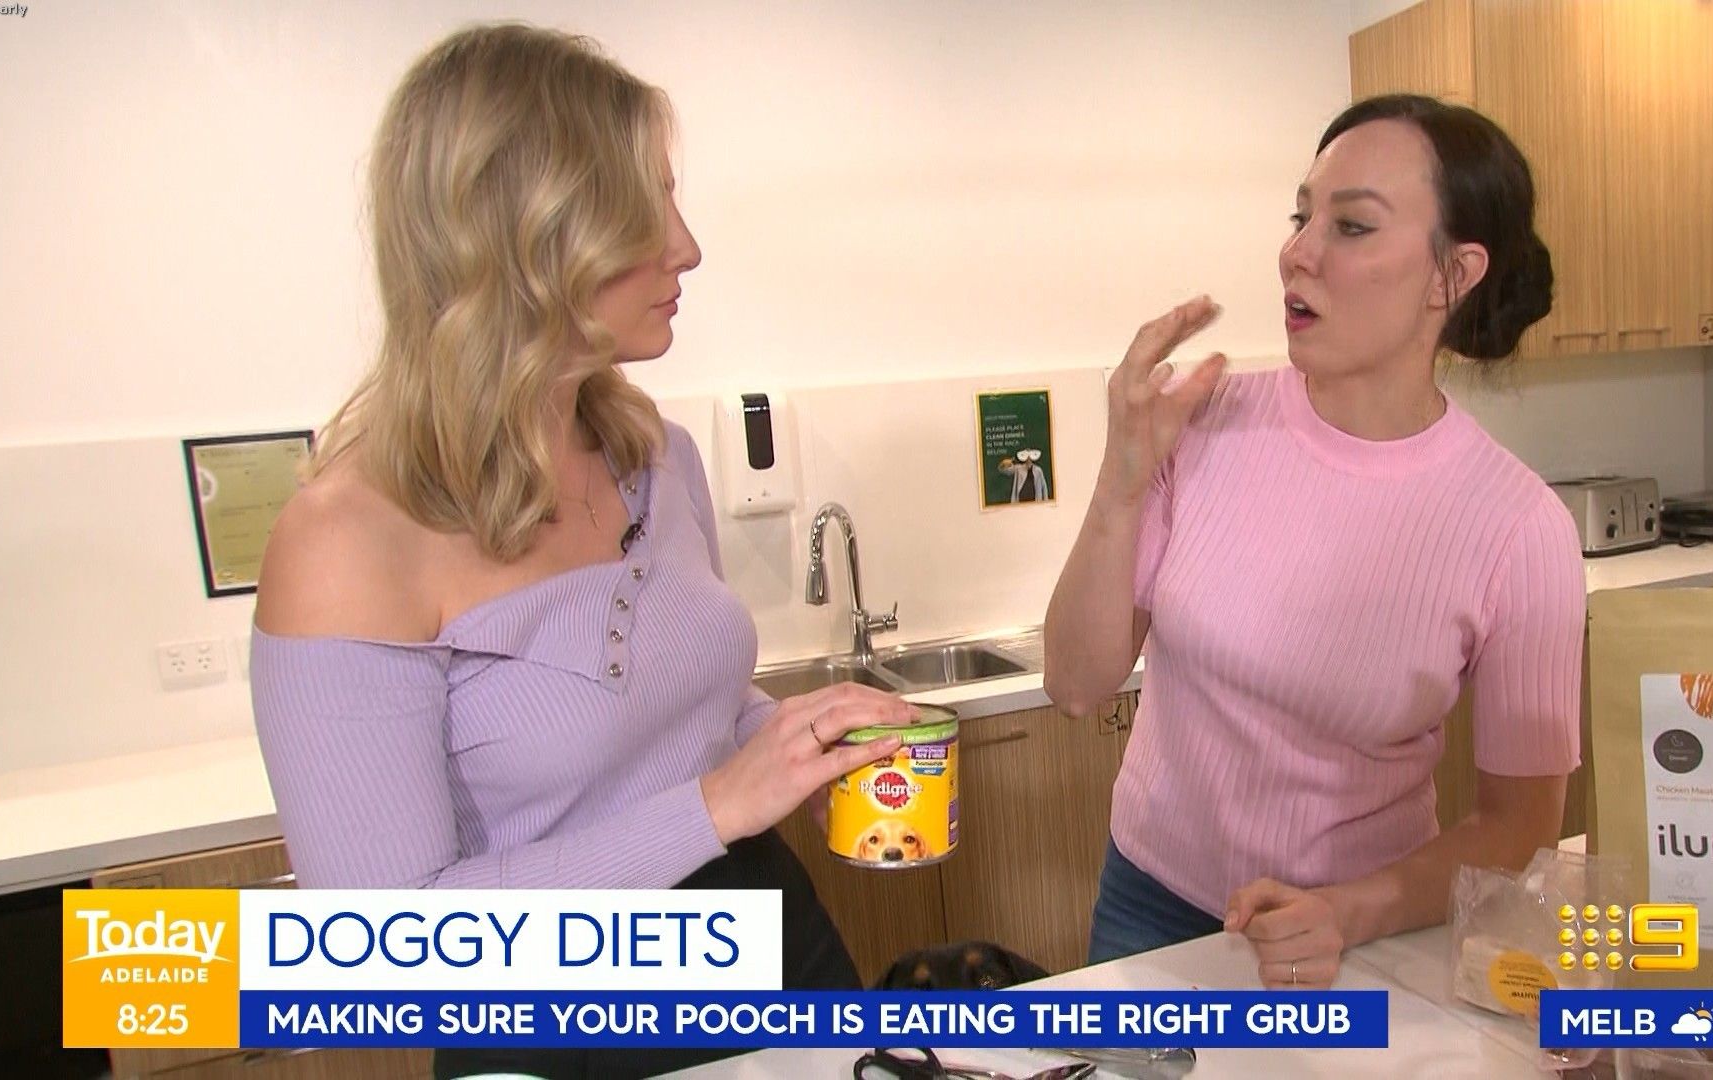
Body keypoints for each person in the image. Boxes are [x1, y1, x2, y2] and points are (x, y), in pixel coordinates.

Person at [248, 23, 913, 1079]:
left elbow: (684, 716)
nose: (686, 247)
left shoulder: (655, 454)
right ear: (523, 234)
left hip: (773, 945)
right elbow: (377, 949)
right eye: (645, 207)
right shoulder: (347, 542)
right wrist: (714, 807)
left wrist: (795, 737)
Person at [1043, 94, 1586, 989]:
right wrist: (1121, 480)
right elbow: (1073, 684)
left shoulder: (1519, 530)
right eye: (1301, 218)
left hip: (1359, 937)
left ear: (1452, 276)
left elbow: (1518, 825)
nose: (1297, 253)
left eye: (1352, 226)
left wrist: (1351, 910)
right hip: (1148, 909)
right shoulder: (1207, 421)